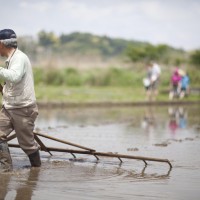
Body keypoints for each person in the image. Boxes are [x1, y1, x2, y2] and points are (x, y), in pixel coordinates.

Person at [0, 29, 41, 172]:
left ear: (1, 44)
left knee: (27, 145)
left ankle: (36, 169)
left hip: (23, 108)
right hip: (9, 107)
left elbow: (15, 76)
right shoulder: (10, 59)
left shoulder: (19, 58)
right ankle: (5, 170)